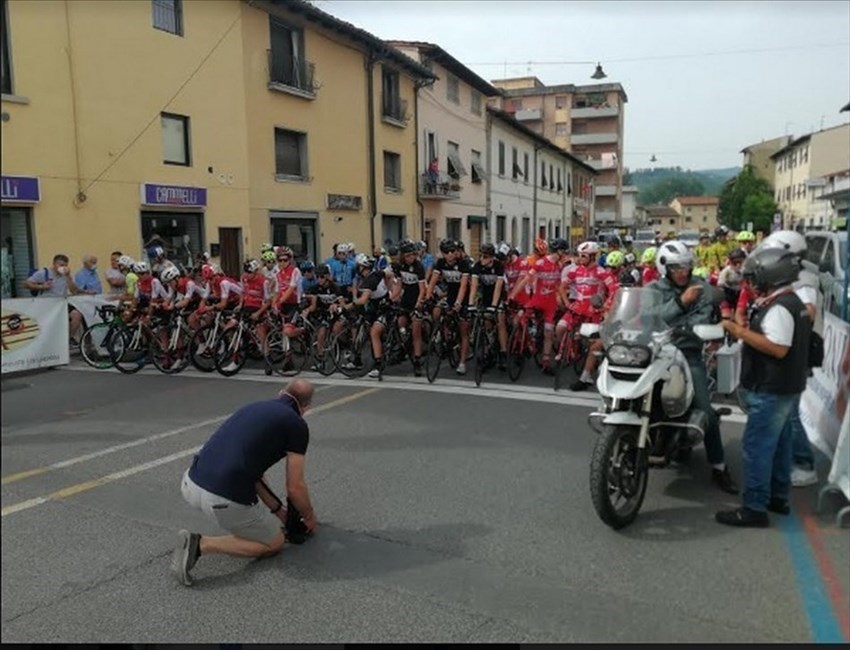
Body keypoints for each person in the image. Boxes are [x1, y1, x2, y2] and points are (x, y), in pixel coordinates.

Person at [172, 379, 317, 586]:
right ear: (306, 408)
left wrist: (279, 512)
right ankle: (200, 545)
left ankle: (239, 524)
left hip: (191, 482)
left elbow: (255, 475)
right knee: (274, 542)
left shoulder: (253, 407)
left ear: (280, 393)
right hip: (221, 497)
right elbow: (295, 486)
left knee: (248, 506)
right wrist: (309, 516)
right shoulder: (297, 425)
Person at [716, 247, 812, 527]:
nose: (750, 284)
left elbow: (778, 348)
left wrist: (739, 331)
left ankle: (754, 507)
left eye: (754, 278)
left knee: (756, 447)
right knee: (781, 444)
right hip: (785, 386)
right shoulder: (790, 302)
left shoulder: (781, 307)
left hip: (771, 387)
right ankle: (778, 497)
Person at [646, 240, 738, 494]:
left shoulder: (702, 289)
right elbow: (646, 317)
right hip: (654, 352)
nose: (683, 272)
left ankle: (719, 467)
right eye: (676, 267)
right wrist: (679, 304)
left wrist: (683, 309)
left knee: (706, 410)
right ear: (664, 267)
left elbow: (700, 320)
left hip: (687, 353)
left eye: (686, 266)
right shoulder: (652, 288)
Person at [24, 254, 84, 343]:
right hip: (46, 303)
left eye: (65, 265)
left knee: (77, 315)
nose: (63, 267)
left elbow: (74, 291)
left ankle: (69, 338)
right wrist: (42, 286)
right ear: (54, 264)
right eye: (60, 265)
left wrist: (68, 276)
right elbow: (26, 284)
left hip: (62, 303)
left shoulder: (66, 275)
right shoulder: (43, 273)